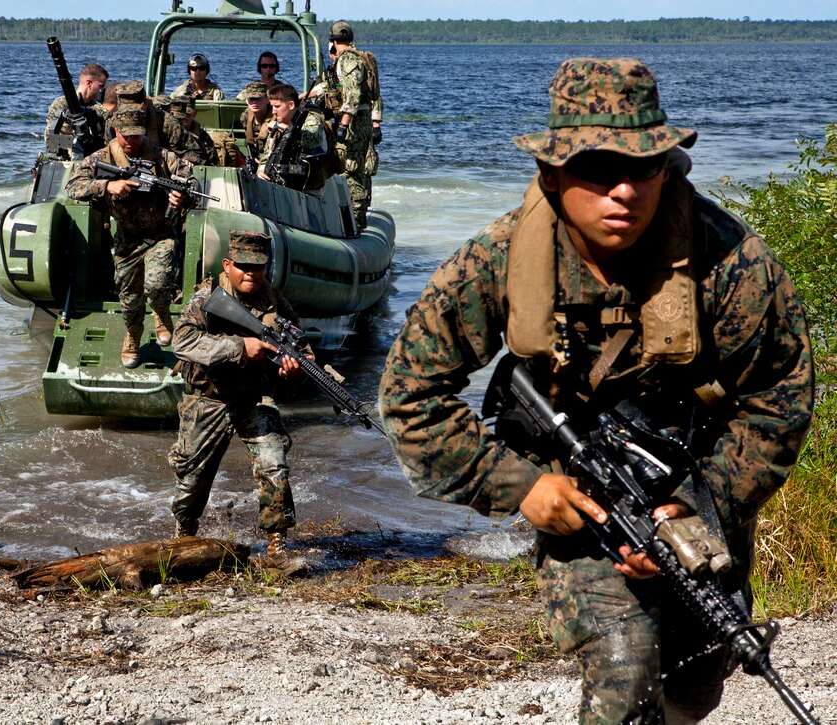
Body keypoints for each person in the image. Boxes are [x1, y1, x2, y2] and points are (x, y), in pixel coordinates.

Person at [378, 57, 813, 723]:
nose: (624, 190)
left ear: (666, 167)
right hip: (578, 497)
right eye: (597, 169)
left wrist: (703, 502)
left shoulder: (730, 261)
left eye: (644, 168)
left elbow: (781, 392)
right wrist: (521, 486)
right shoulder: (495, 260)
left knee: (698, 678)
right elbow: (409, 393)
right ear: (552, 173)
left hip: (698, 488)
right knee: (625, 665)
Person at [168, 231, 307, 557]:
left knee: (274, 462)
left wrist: (295, 369)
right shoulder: (207, 298)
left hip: (254, 399)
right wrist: (239, 347)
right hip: (208, 398)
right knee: (191, 482)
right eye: (243, 266)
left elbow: (302, 349)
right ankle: (183, 539)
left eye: (257, 267)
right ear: (228, 264)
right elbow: (182, 343)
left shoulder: (275, 302)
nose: (250, 273)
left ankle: (277, 548)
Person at [65, 108, 195, 368]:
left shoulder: (161, 157)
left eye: (137, 137)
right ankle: (133, 336)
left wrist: (184, 195)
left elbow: (190, 181)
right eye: (126, 136)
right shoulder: (102, 157)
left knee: (157, 285)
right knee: (130, 298)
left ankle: (161, 313)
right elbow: (73, 186)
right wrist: (106, 186)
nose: (131, 142)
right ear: (116, 132)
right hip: (126, 240)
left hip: (160, 236)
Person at [328, 21, 377, 231]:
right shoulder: (359, 58)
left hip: (354, 120)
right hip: (362, 117)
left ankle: (357, 220)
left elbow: (354, 92)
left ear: (332, 42)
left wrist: (344, 123)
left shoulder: (347, 59)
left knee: (352, 168)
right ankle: (359, 214)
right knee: (359, 166)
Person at [257, 84, 333, 194]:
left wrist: (284, 128)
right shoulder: (278, 125)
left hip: (308, 187)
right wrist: (261, 170)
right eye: (272, 107)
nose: (273, 111)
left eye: (277, 106)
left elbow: (310, 141)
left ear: (291, 105)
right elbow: (267, 153)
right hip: (281, 184)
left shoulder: (311, 121)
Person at [116, 80, 205, 164]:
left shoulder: (166, 122)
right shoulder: (113, 122)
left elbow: (194, 151)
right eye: (125, 110)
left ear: (146, 103)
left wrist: (186, 161)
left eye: (135, 108)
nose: (131, 113)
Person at [44, 62, 108, 157]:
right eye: (100, 86)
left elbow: (105, 138)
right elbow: (50, 140)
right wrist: (73, 147)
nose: (102, 90)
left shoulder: (99, 109)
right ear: (89, 83)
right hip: (64, 159)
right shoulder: (61, 104)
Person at [167, 95, 218, 166]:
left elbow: (212, 163)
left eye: (188, 114)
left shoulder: (203, 137)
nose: (184, 118)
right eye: (179, 115)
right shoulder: (166, 131)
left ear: (195, 113)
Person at [237, 81, 273, 160]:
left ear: (267, 100)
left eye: (258, 99)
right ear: (247, 101)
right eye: (251, 99)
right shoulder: (245, 116)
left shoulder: (274, 117)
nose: (254, 102)